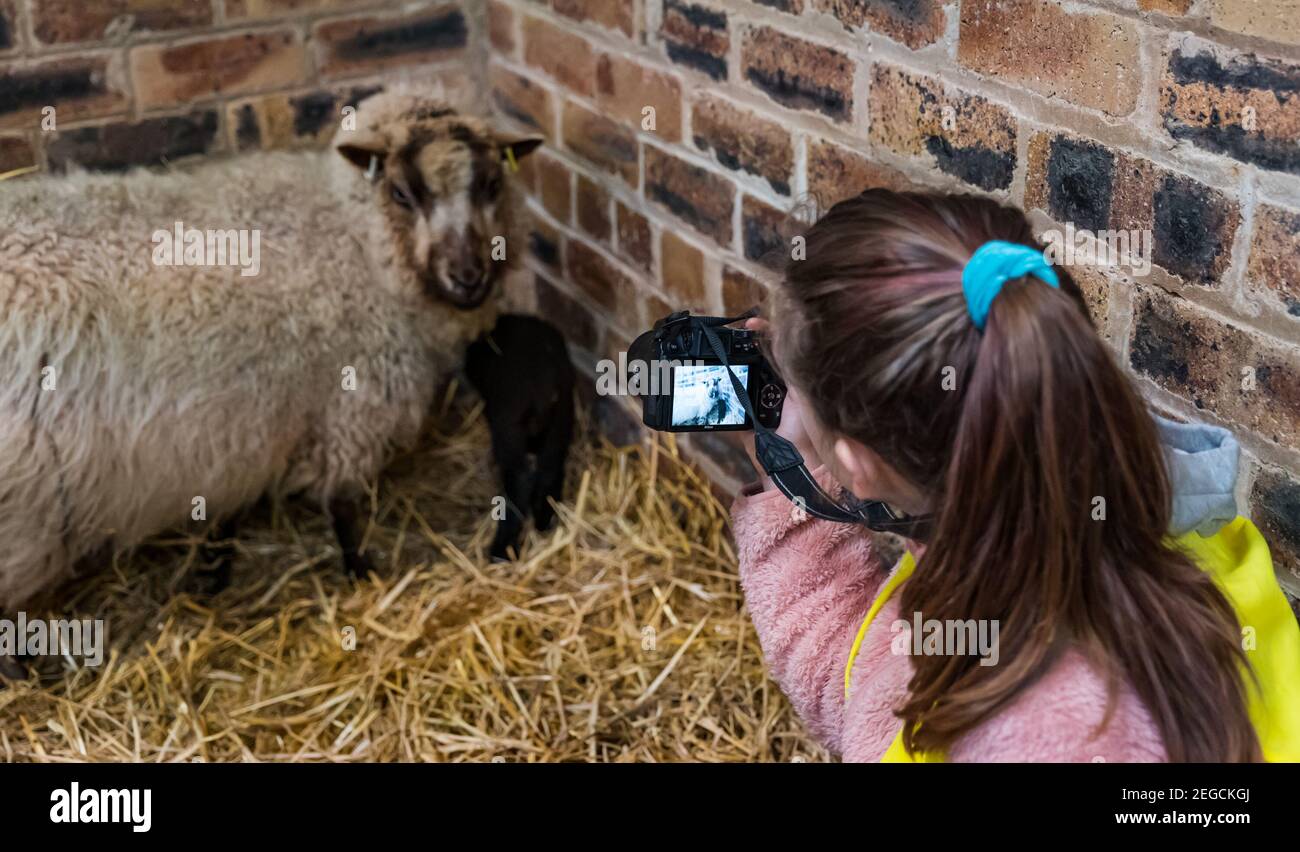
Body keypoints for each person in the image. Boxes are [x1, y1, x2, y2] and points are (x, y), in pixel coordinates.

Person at [732, 189, 1300, 762]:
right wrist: (796, 491)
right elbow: (879, 700)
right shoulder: (1168, 536)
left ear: (859, 467)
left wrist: (796, 479)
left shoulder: (1036, 735)